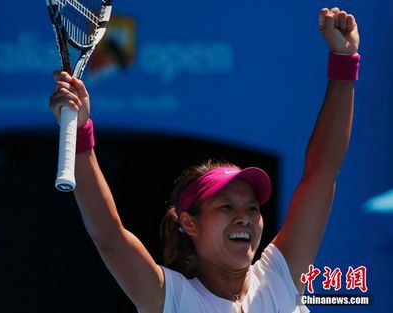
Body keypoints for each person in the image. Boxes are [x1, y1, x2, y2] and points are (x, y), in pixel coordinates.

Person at [48, 7, 360, 313]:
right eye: (227, 207)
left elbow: (322, 172)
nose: (245, 217)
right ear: (189, 223)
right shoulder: (169, 298)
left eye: (253, 208)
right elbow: (109, 236)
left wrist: (344, 62)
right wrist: (81, 135)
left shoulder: (280, 276)